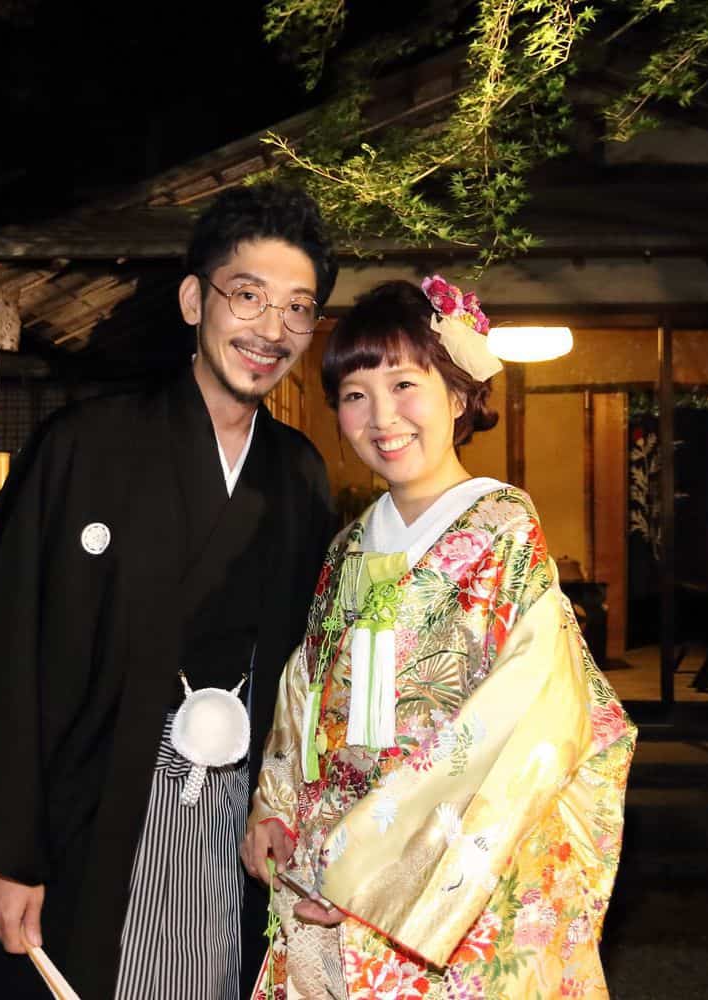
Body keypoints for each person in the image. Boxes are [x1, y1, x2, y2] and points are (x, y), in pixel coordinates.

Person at [0, 184, 340, 1000]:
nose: (271, 329)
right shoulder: (85, 446)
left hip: (232, 812)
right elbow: (7, 648)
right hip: (85, 810)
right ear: (193, 301)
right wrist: (6, 848)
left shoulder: (299, 474)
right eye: (248, 296)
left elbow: (309, 676)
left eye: (298, 308)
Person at [242, 278, 636, 999]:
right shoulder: (348, 548)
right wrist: (274, 802)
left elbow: (525, 719)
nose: (381, 416)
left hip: (442, 880)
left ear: (457, 394)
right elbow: (308, 688)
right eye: (355, 394)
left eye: (404, 384)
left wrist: (370, 869)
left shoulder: (502, 530)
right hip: (329, 865)